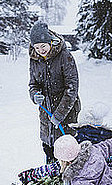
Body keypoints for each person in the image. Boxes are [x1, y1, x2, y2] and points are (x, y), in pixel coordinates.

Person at [28, 21, 80, 163]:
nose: (40, 50)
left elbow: (72, 88)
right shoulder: (34, 59)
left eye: (43, 46)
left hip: (66, 112)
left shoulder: (64, 56)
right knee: (49, 149)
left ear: (50, 42)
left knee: (66, 152)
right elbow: (33, 84)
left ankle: (68, 184)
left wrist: (59, 115)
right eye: (37, 47)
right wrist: (35, 95)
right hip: (46, 114)